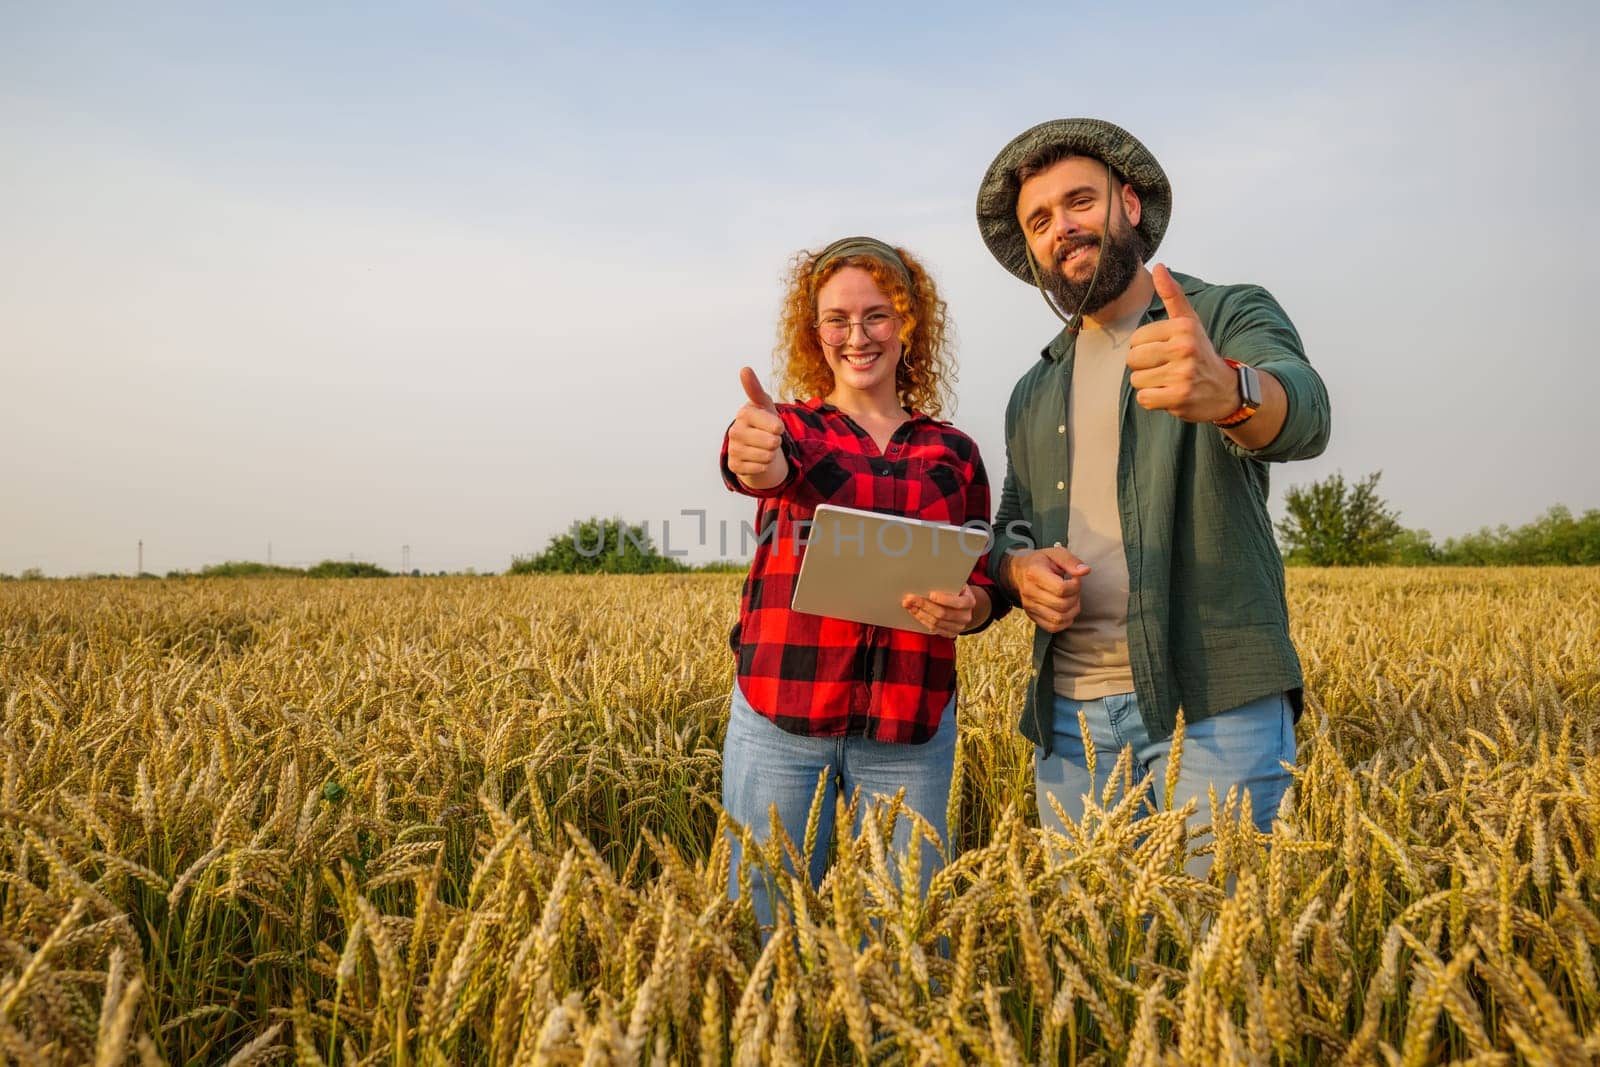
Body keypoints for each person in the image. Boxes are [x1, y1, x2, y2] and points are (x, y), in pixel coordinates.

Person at [973, 119, 1331, 872]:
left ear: (1129, 204)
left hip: (1214, 702)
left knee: (1215, 960)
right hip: (1070, 720)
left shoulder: (1222, 314)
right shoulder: (1033, 388)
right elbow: (1011, 525)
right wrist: (1017, 571)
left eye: (1080, 201)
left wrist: (1230, 389)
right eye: (1040, 220)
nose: (1062, 227)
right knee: (1096, 955)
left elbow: (1306, 409)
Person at [718, 236, 1005, 926]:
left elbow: (983, 576)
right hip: (782, 714)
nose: (857, 335)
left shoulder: (954, 453)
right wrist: (752, 455)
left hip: (909, 728)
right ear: (815, 334)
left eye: (877, 315)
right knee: (763, 929)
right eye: (837, 319)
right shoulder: (786, 427)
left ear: (908, 324)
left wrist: (973, 607)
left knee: (909, 932)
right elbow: (754, 465)